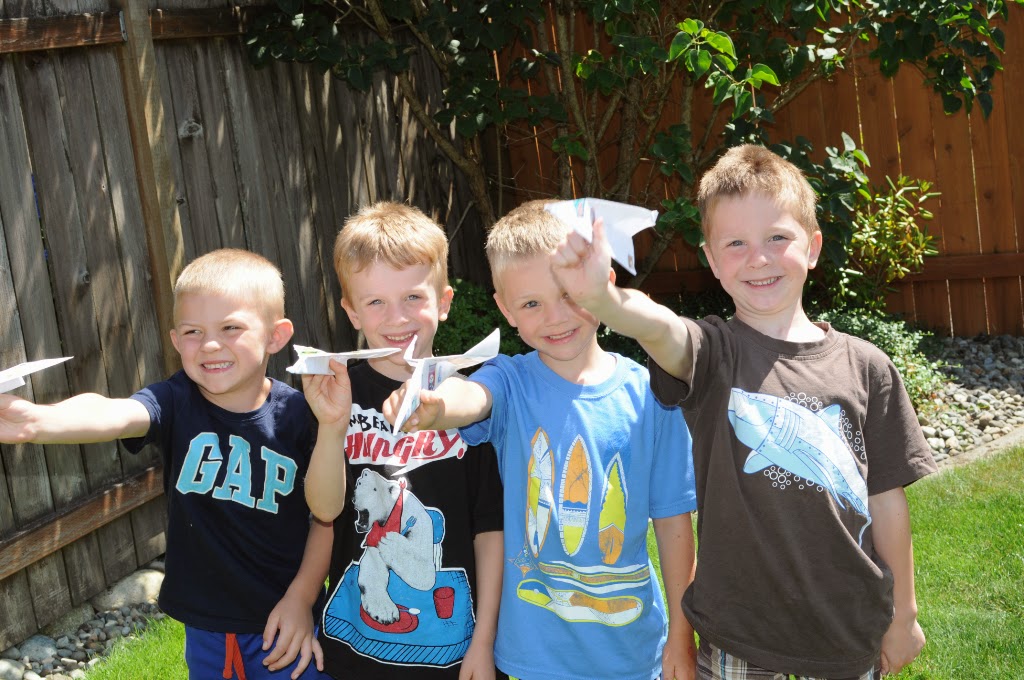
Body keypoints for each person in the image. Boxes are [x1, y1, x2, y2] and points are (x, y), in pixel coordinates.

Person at [550, 144, 938, 680]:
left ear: (813, 247)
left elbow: (887, 500)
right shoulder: (712, 354)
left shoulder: (867, 367)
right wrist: (606, 302)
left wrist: (905, 613)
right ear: (711, 260)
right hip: (739, 637)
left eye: (777, 238)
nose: (758, 259)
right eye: (736, 244)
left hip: (848, 631)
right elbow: (660, 328)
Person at [0, 249, 350, 680]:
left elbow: (326, 518)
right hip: (205, 626)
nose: (210, 344)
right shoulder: (174, 400)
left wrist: (302, 598)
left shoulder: (301, 416)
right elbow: (113, 412)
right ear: (175, 340)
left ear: (276, 336)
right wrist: (36, 421)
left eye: (231, 327)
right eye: (192, 331)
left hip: (286, 621)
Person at [385, 202, 699, 680]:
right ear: (506, 310)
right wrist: (435, 406)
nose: (556, 318)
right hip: (535, 655)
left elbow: (674, 524)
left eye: (569, 294)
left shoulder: (653, 394)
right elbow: (472, 396)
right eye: (531, 304)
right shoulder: (510, 381)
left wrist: (681, 634)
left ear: (603, 283)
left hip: (635, 652)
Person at [302, 202, 505, 680]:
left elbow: (490, 531)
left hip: (456, 650)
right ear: (351, 312)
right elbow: (325, 512)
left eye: (413, 297)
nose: (397, 318)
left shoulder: (471, 399)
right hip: (355, 651)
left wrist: (485, 642)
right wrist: (332, 427)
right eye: (375, 302)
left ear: (444, 302)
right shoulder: (336, 394)